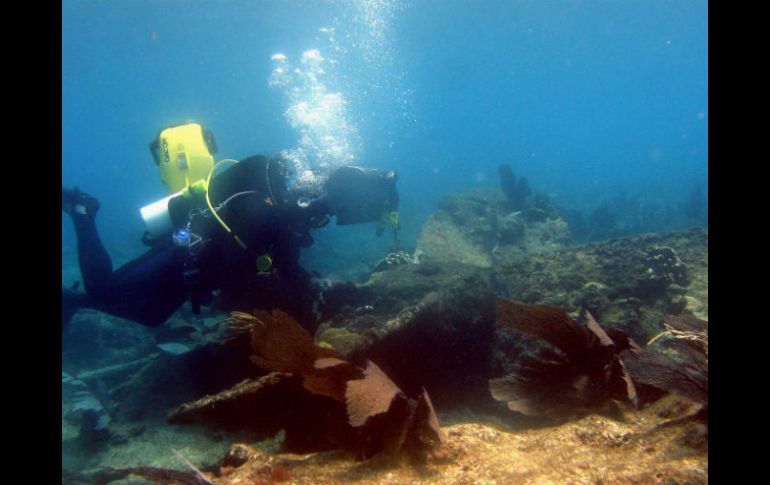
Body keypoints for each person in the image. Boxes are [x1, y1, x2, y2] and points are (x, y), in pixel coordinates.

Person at [62, 122, 399, 331]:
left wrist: (313, 287)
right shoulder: (271, 206)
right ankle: (83, 211)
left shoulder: (284, 219)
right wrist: (318, 286)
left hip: (194, 274)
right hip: (182, 253)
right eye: (323, 210)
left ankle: (71, 301)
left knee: (152, 316)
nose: (323, 219)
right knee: (104, 290)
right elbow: (268, 238)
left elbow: (281, 264)